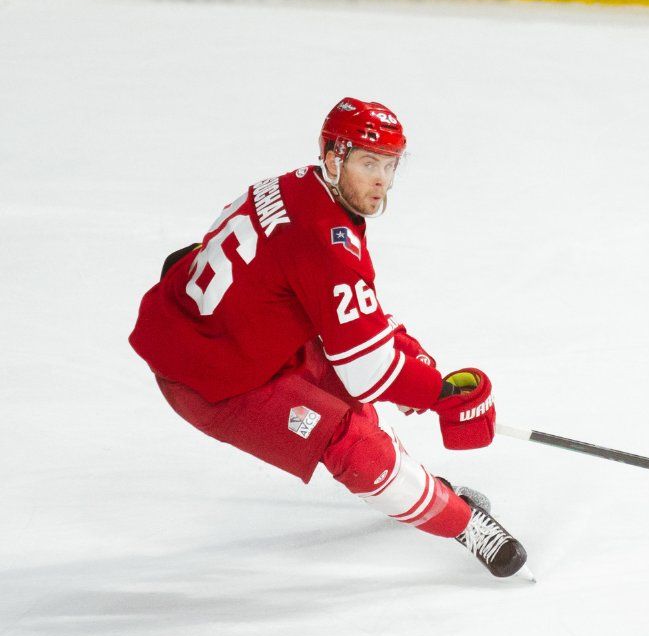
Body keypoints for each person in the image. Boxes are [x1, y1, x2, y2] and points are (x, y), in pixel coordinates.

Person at [129, 98, 529, 580]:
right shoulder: (326, 238)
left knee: (344, 390)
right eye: (368, 162)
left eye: (388, 164)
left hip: (221, 335)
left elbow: (342, 315)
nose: (381, 179)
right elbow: (370, 371)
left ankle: (414, 486)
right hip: (213, 383)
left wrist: (417, 372)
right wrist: (438, 395)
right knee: (350, 441)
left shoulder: (293, 184)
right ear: (334, 157)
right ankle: (465, 525)